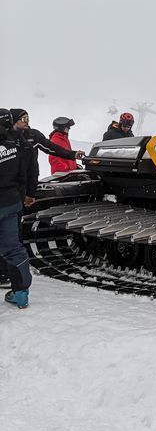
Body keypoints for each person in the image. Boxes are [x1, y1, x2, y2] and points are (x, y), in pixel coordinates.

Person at [11, 109, 84, 210]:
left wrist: (73, 154)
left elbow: (52, 148)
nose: (27, 121)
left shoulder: (33, 135)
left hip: (28, 183)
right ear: (14, 121)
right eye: (24, 119)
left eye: (28, 118)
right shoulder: (6, 139)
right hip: (10, 186)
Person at [1, 108, 30, 308]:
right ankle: (21, 294)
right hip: (11, 202)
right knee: (13, 249)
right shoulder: (15, 144)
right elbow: (23, 174)